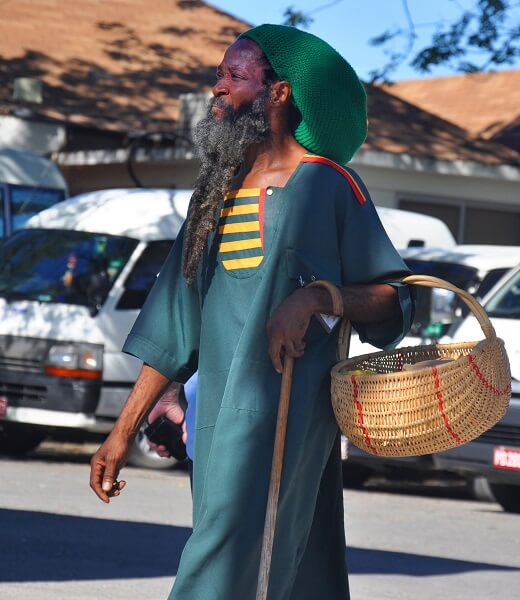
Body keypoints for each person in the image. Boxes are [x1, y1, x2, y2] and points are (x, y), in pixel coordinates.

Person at [89, 24, 414, 599]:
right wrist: (122, 430)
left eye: (234, 76)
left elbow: (392, 301)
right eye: (220, 75)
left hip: (286, 417)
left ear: (279, 94)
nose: (218, 88)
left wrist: (316, 296)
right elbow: (174, 326)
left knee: (225, 562)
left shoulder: (329, 186)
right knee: (285, 568)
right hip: (218, 418)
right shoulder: (217, 192)